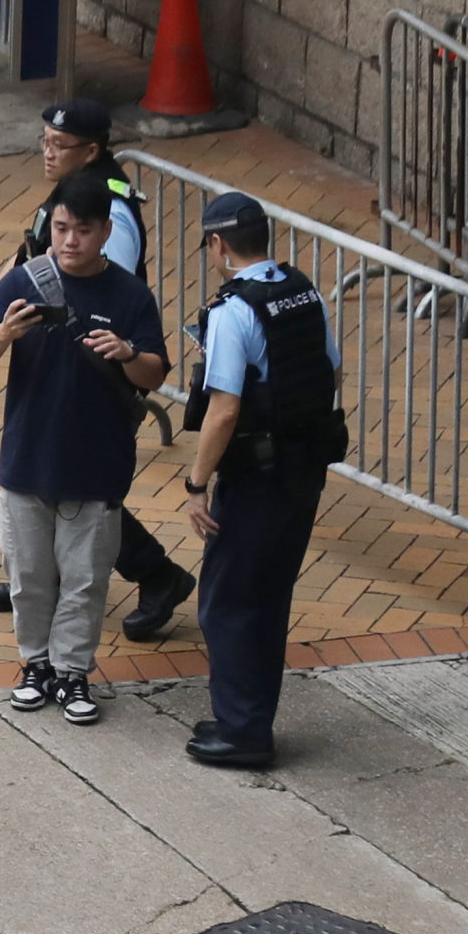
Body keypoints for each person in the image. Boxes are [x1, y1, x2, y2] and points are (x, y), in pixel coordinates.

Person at [0, 99, 194, 643]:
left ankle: (156, 574)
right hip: (58, 363)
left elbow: (105, 287)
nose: (47, 152)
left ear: (91, 151)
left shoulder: (109, 213)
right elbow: (34, 255)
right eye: (44, 140)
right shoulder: (70, 196)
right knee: (60, 480)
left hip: (98, 369)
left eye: (59, 145)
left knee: (86, 492)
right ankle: (39, 575)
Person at [0, 169, 170, 724]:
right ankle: (36, 665)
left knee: (84, 579)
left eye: (81, 229)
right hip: (29, 458)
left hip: (97, 464)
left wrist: (126, 352)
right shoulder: (24, 280)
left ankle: (73, 673)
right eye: (60, 228)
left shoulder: (129, 295)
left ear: (105, 231)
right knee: (29, 577)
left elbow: (154, 374)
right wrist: (6, 332)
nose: (69, 240)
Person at [173, 192, 344, 769]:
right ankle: (245, 715)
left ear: (217, 244)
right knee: (268, 596)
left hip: (255, 477)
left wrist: (197, 483)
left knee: (229, 600)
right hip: (303, 469)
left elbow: (223, 409)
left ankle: (244, 731)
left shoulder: (233, 312)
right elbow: (331, 370)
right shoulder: (304, 292)